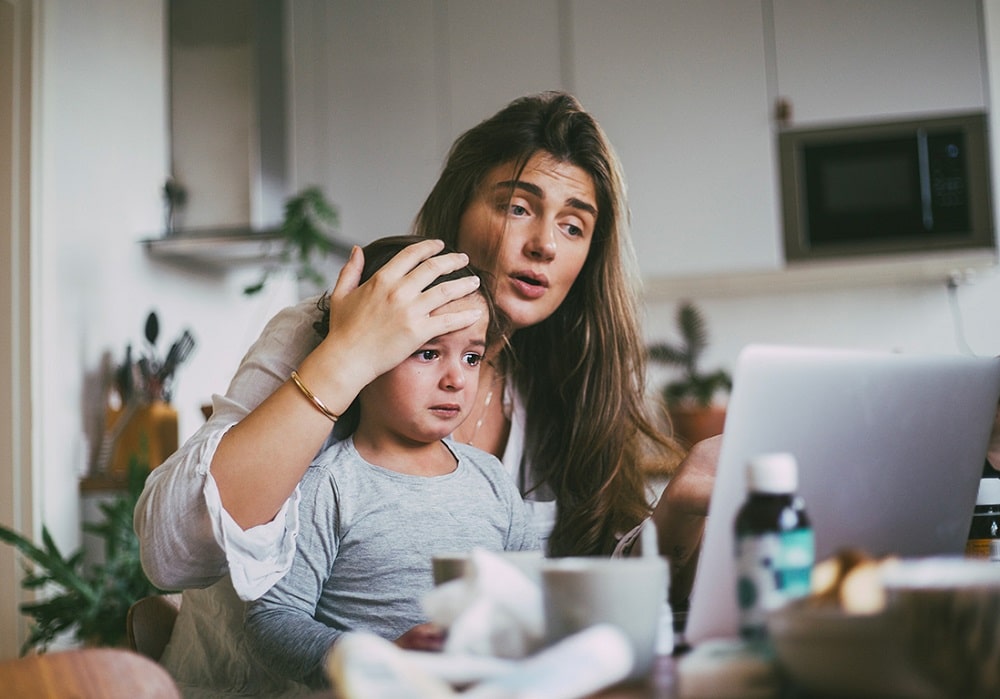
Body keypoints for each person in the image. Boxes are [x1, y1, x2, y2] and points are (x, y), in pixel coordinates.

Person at [135, 90, 716, 616]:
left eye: (573, 227)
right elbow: (170, 555)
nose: (543, 244)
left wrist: (678, 513)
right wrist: (349, 354)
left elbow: (574, 600)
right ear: (456, 211)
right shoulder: (322, 328)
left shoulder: (560, 385)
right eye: (518, 207)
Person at [237, 236, 536, 691]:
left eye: (472, 356)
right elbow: (272, 622)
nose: (456, 378)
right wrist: (380, 657)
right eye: (429, 352)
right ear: (368, 355)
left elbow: (533, 598)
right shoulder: (330, 485)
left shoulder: (491, 479)